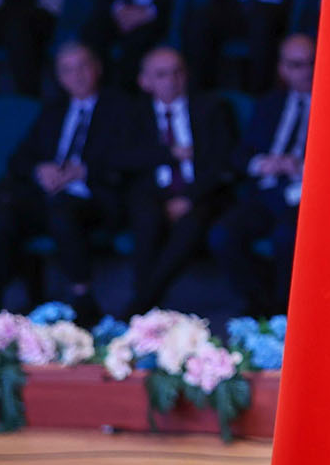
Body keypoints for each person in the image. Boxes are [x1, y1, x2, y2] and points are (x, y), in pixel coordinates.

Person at [5, 42, 150, 324]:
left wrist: (84, 171)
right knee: (3, 214)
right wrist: (39, 169)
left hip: (98, 197)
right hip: (50, 194)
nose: (78, 75)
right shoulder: (53, 110)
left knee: (62, 210)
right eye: (68, 70)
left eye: (83, 66)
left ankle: (83, 298)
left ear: (98, 68)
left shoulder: (122, 107)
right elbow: (18, 158)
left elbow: (133, 159)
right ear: (60, 77)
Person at [122, 46, 235, 315]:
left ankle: (142, 304)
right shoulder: (133, 113)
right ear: (145, 81)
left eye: (177, 72)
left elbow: (224, 163)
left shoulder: (212, 108)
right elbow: (121, 157)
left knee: (191, 224)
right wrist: (169, 154)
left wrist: (189, 197)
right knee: (146, 219)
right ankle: (146, 304)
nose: (172, 80)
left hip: (200, 192)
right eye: (162, 74)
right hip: (153, 192)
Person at [213, 34, 313, 315]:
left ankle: (286, 311)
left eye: (312, 63)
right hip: (266, 191)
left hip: (307, 196)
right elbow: (240, 154)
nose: (306, 72)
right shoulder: (270, 104)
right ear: (283, 68)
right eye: (297, 65)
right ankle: (259, 304)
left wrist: (300, 166)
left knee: (286, 238)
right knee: (222, 235)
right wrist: (263, 163)